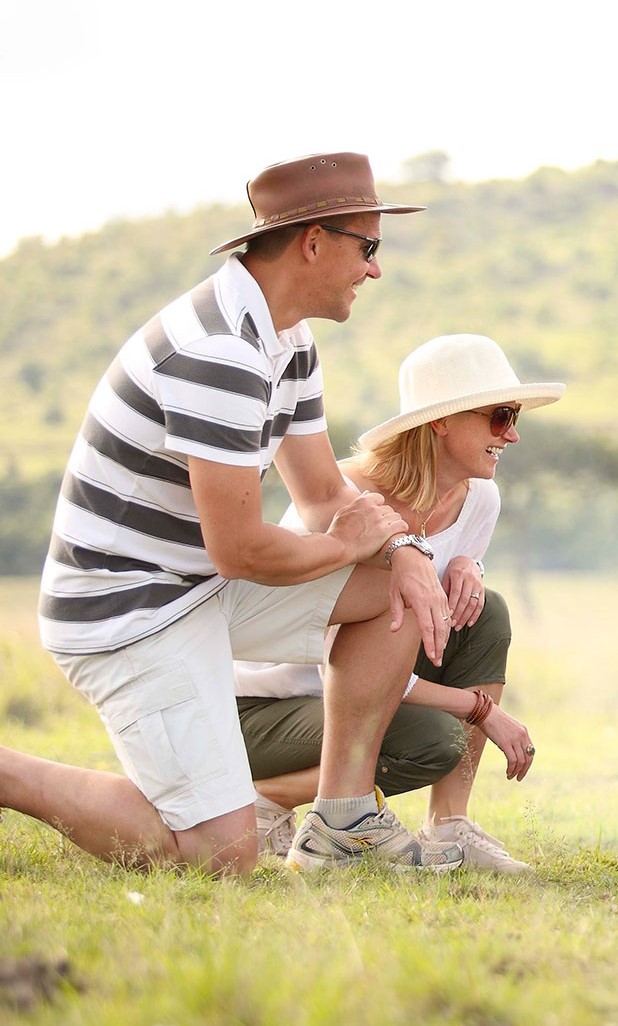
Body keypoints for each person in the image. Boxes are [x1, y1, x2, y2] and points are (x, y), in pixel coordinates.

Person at [4, 152, 456, 875]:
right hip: (126, 609)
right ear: (314, 242)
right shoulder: (218, 352)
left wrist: (404, 549)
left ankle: (341, 824)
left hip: (198, 586)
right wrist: (349, 546)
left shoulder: (288, 341)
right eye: (367, 247)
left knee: (395, 591)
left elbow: (320, 496)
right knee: (223, 856)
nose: (375, 269)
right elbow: (242, 551)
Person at [233, 334, 561, 873]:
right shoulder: (350, 501)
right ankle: (267, 799)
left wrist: (467, 566)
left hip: (352, 699)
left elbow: (417, 627)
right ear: (442, 421)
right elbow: (341, 657)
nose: (514, 434)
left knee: (488, 611)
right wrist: (482, 710)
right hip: (264, 708)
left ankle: (449, 828)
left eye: (515, 415)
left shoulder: (480, 497)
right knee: (432, 741)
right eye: (500, 416)